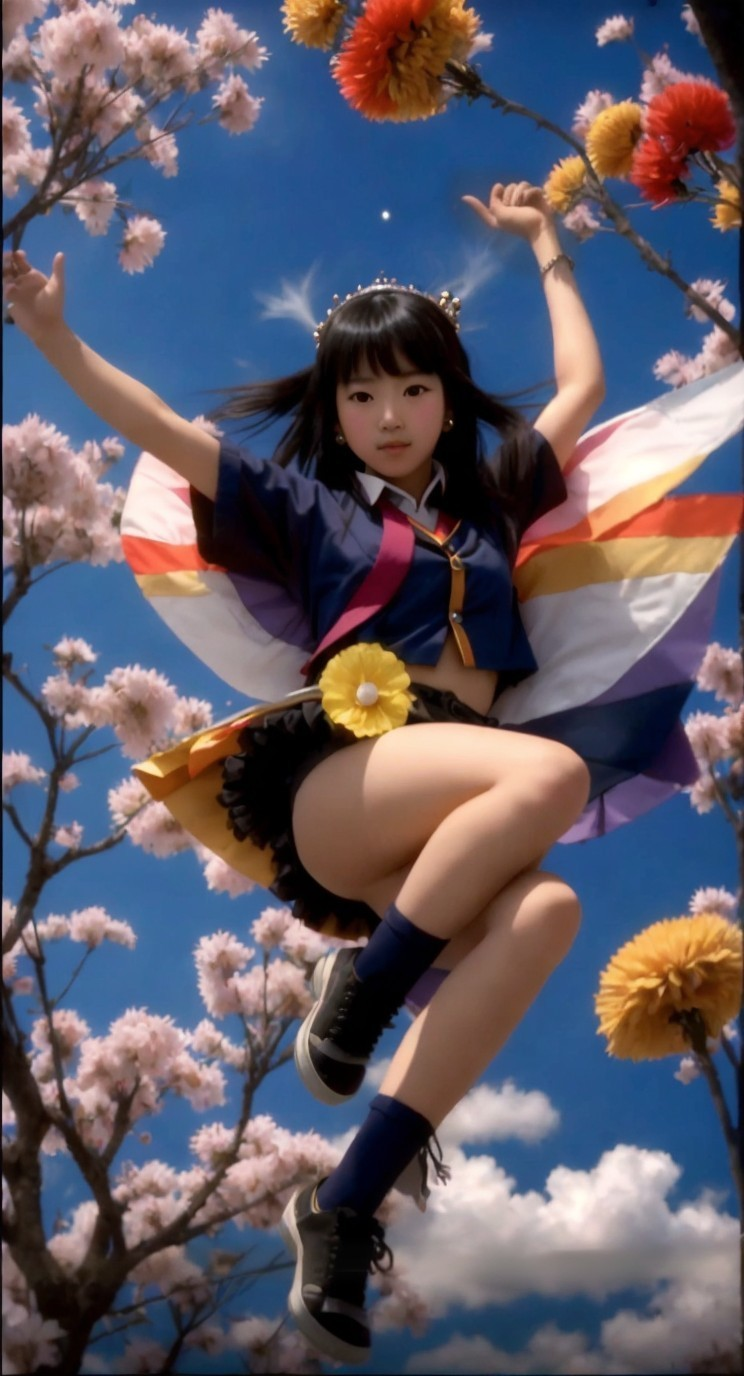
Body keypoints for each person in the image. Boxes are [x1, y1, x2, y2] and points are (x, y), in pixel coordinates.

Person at [0, 179, 683, 1367]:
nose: (389, 412)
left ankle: (345, 1202)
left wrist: (550, 244)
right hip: (344, 782)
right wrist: (55, 336)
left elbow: (581, 390)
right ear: (334, 407)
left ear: (448, 396)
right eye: (361, 393)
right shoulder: (303, 507)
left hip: (449, 826)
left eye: (414, 387)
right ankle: (362, 994)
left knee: (553, 905)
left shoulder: (492, 502)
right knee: (549, 782)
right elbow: (159, 424)